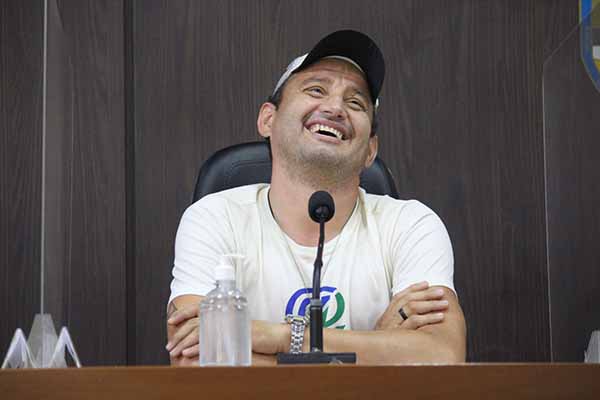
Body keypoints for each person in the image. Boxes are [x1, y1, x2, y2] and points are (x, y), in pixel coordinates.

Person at [165, 30, 466, 366]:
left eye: (355, 103)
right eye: (316, 90)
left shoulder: (411, 225)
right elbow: (193, 359)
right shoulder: (214, 218)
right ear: (268, 119)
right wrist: (378, 346)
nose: (335, 108)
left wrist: (281, 337)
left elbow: (442, 354)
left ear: (370, 150)